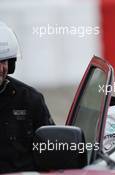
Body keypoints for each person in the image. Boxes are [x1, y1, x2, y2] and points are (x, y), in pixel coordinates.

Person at [0, 21, 54, 173]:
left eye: (3, 61)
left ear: (11, 64)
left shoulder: (30, 100)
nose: (0, 69)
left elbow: (54, 150)